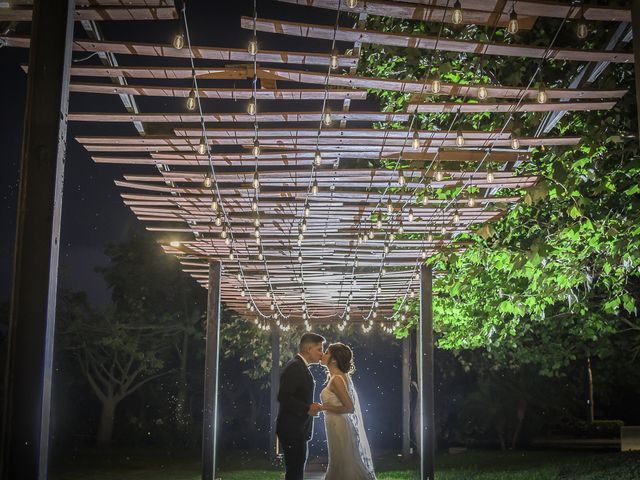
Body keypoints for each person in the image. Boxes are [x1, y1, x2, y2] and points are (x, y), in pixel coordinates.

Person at [320, 342, 376, 480]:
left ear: (333, 359)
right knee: (340, 462)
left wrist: (323, 407)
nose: (323, 354)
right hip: (336, 425)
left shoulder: (337, 379)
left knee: (344, 464)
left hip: (339, 426)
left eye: (326, 352)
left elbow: (349, 408)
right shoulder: (339, 377)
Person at [277, 332, 325, 480]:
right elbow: (284, 396)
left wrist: (309, 406)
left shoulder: (300, 366)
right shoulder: (295, 367)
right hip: (291, 430)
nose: (321, 353)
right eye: (319, 349)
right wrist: (307, 408)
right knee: (295, 472)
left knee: (296, 470)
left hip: (297, 430)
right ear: (309, 349)